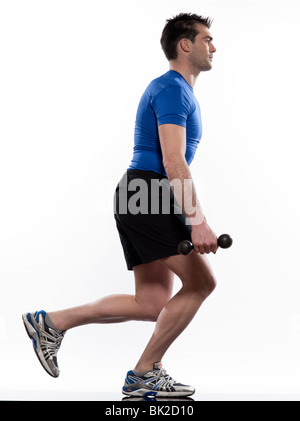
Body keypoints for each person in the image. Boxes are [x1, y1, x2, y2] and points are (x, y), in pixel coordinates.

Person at [22, 13, 218, 398]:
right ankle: (145, 372)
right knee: (202, 282)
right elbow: (173, 161)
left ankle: (51, 323)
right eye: (207, 39)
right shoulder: (172, 88)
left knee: (152, 302)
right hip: (147, 192)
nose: (214, 47)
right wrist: (197, 222)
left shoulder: (179, 91)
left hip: (142, 194)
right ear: (185, 44)